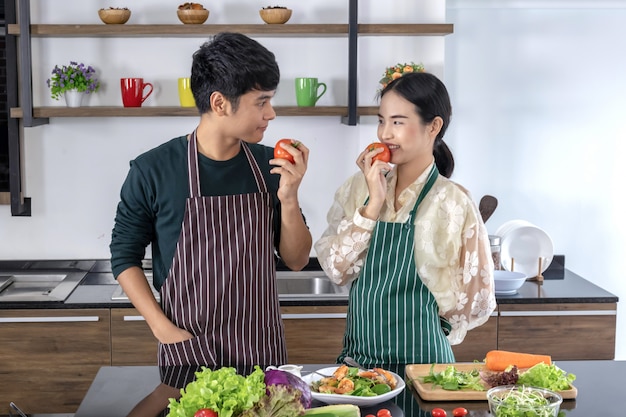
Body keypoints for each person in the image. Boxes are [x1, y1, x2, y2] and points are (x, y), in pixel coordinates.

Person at [109, 32, 312, 416]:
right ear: (219, 103)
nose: (271, 114)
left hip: (260, 351)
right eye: (262, 102)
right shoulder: (153, 170)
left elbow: (298, 259)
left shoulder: (271, 166)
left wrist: (288, 196)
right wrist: (163, 330)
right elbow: (124, 256)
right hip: (188, 347)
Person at [314, 71, 496, 369]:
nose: (385, 134)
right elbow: (337, 271)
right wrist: (373, 204)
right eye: (382, 120)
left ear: (433, 126)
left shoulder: (453, 202)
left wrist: (433, 330)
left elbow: (477, 301)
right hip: (361, 370)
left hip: (426, 370)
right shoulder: (357, 189)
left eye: (398, 122)